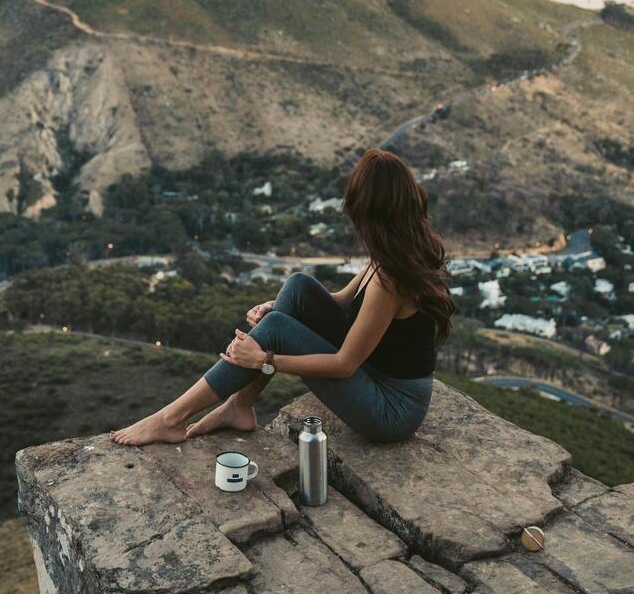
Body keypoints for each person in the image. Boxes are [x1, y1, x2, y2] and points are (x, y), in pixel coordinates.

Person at [110, 148, 455, 446]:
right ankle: (239, 405)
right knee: (298, 286)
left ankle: (172, 419)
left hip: (391, 409)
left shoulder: (390, 278)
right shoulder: (396, 250)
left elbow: (344, 364)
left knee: (276, 329)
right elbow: (341, 304)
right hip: (376, 374)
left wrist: (265, 359)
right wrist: (281, 307)